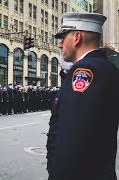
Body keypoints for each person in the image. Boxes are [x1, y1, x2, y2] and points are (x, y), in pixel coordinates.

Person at [46, 12, 119, 180]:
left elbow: (73, 138)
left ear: (77, 37)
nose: (60, 45)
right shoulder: (104, 67)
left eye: (63, 38)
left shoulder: (86, 70)